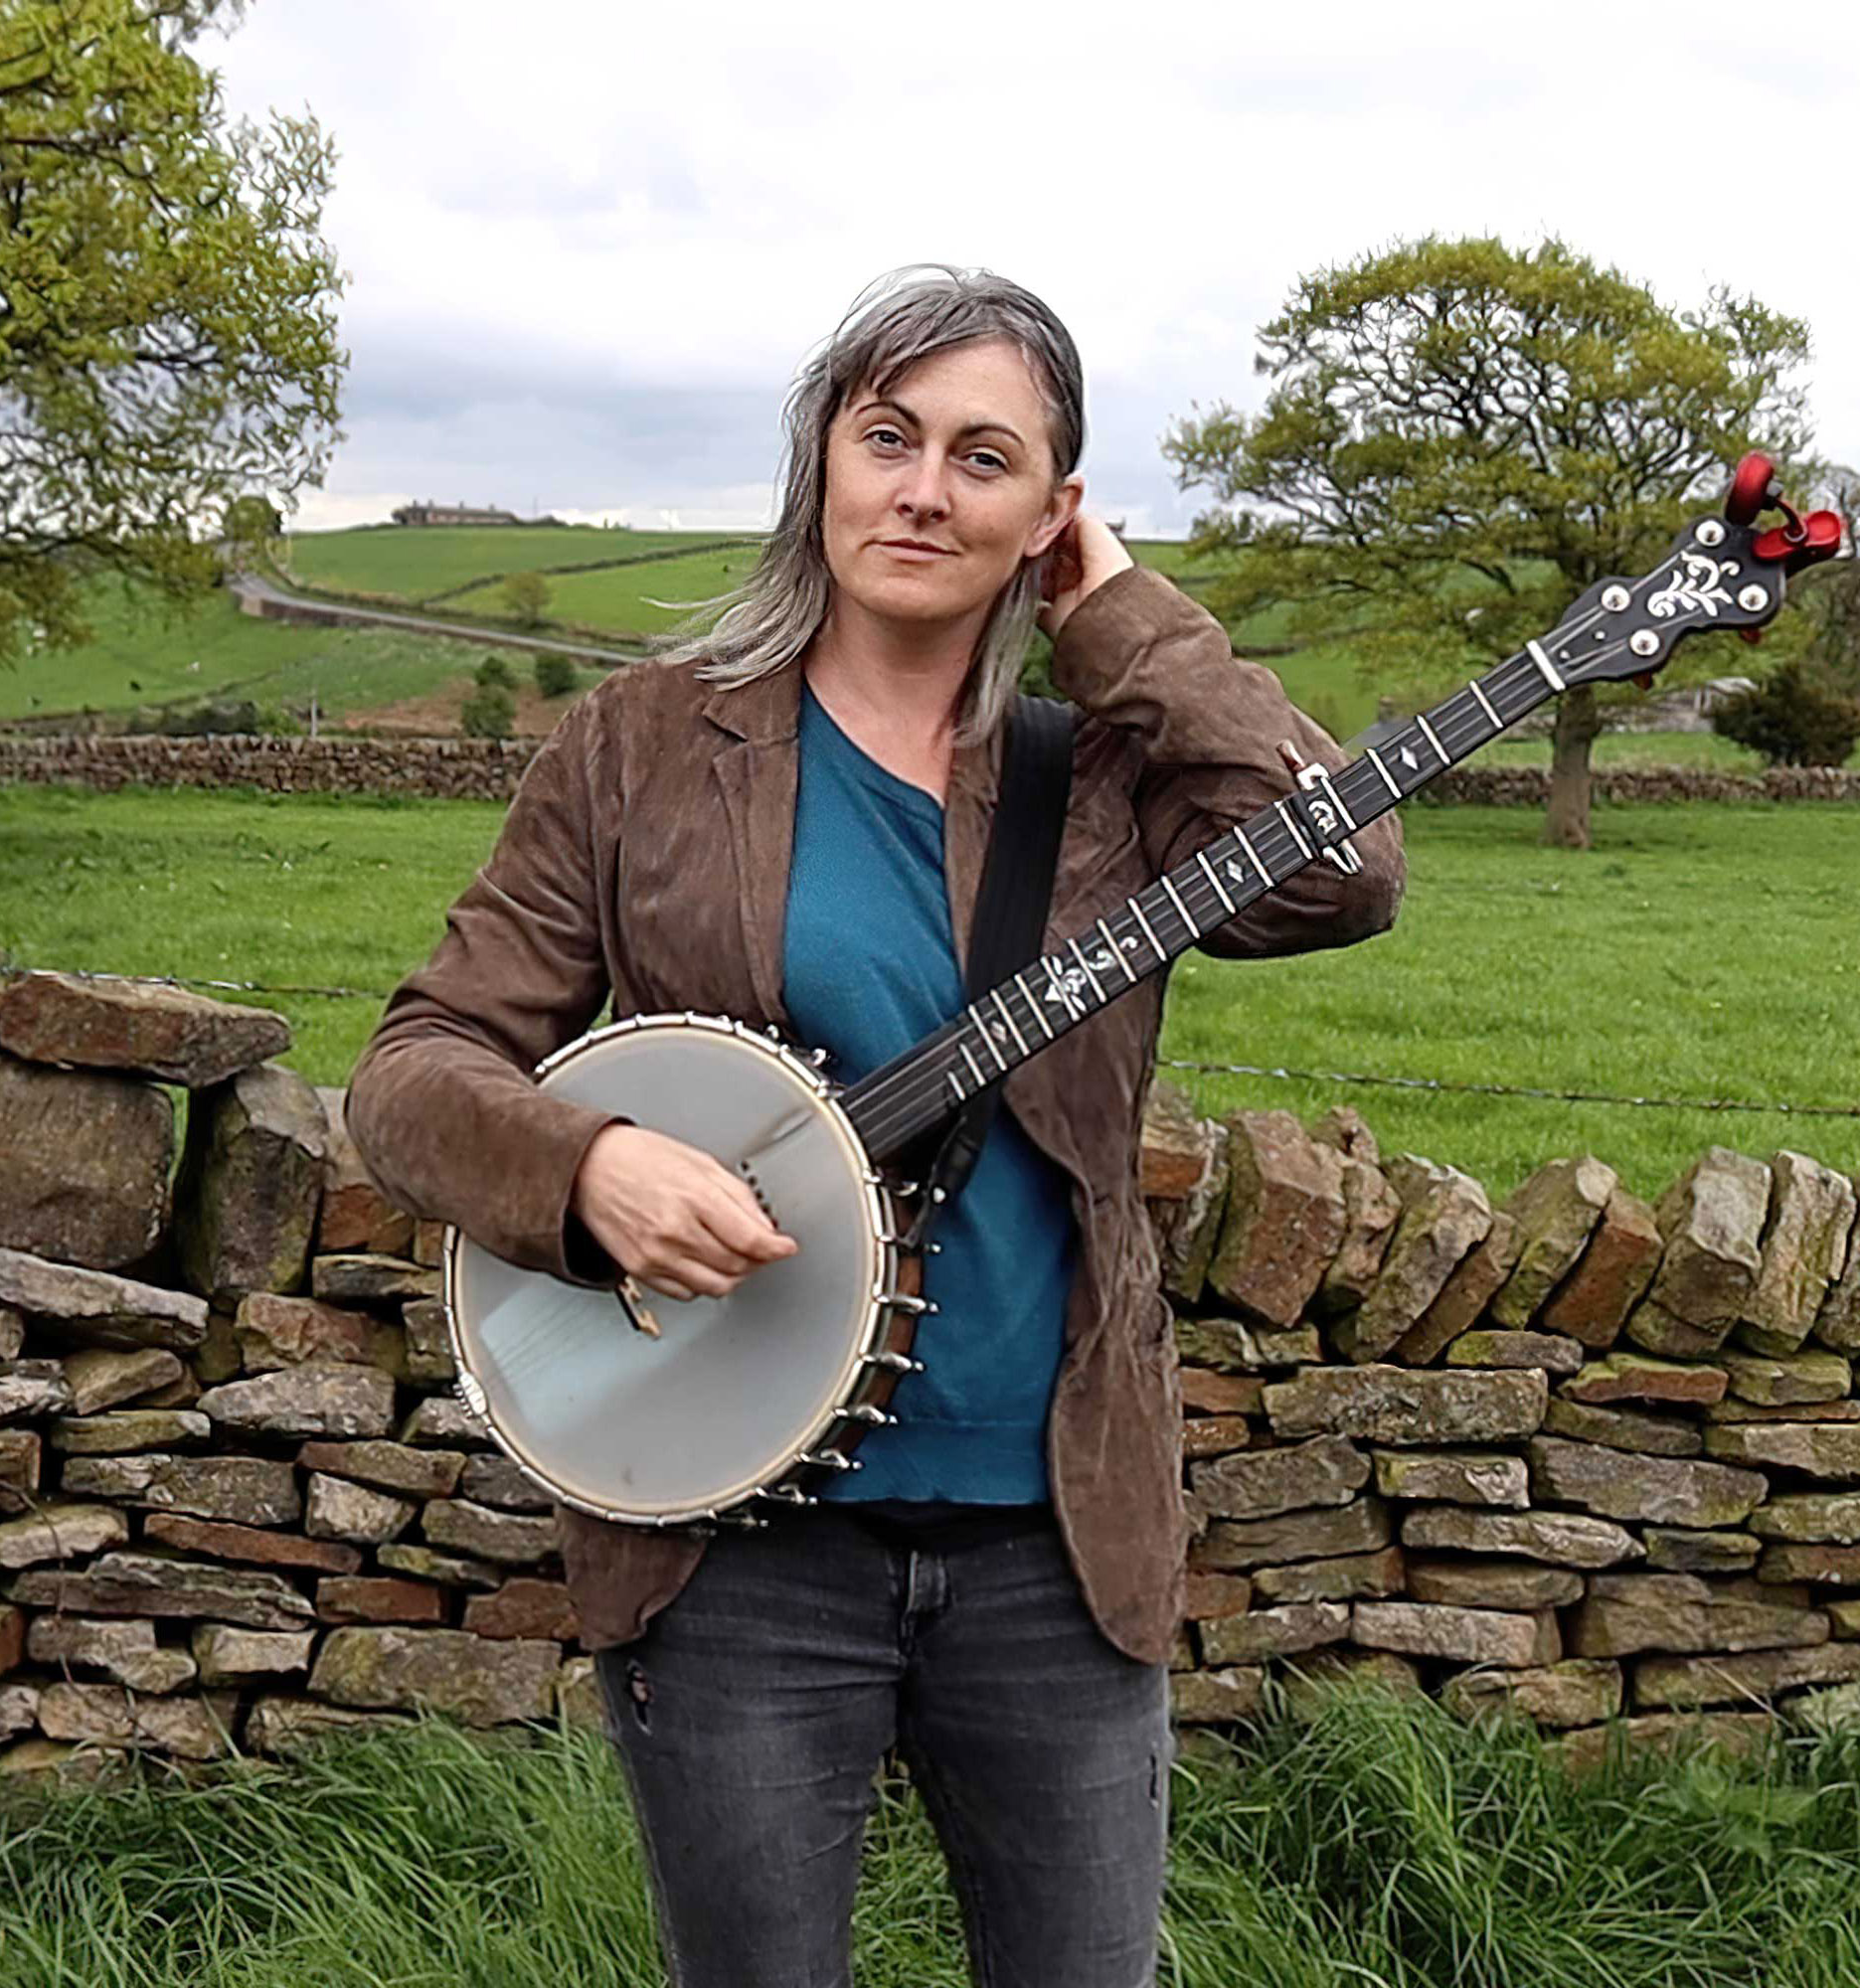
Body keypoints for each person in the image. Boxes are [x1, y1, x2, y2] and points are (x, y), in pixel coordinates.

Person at [345, 263, 1405, 1988]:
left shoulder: (1115, 781)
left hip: (1054, 1541)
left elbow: (1343, 872)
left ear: (1052, 512)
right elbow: (420, 1061)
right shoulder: (639, 749)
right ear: (820, 462)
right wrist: (587, 1168)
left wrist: (1122, 616)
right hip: (733, 1549)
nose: (923, 487)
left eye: (985, 458)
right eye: (887, 435)